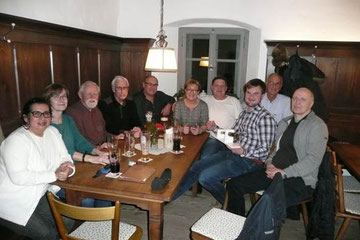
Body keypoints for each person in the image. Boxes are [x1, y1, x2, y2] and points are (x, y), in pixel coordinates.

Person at [227, 88, 328, 217]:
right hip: (275, 171)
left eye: (303, 99)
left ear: (311, 103)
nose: (297, 102)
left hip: (300, 179)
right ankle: (236, 223)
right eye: (295, 98)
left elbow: (313, 160)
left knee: (269, 200)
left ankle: (256, 231)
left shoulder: (317, 126)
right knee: (234, 184)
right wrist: (269, 163)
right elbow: (275, 150)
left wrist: (284, 172)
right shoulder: (284, 122)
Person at [174, 79, 277, 204]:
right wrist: (215, 128)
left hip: (250, 161)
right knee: (196, 166)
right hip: (233, 154)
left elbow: (265, 151)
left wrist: (244, 151)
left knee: (205, 178)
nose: (251, 97)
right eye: (249, 93)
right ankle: (170, 198)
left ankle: (231, 206)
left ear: (262, 96)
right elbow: (232, 136)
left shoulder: (265, 118)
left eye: (256, 93)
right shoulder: (245, 114)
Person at [0, 97, 75, 239]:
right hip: (12, 200)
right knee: (46, 233)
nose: (43, 118)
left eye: (46, 113)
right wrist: (55, 175)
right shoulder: (16, 141)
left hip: (39, 194)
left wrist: (68, 170)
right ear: (26, 118)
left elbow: (65, 158)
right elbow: (19, 177)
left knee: (67, 222)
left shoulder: (52, 132)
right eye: (36, 114)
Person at [43, 84, 111, 207]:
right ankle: (85, 225)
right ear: (48, 100)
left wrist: (99, 152)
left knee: (104, 187)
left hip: (76, 168)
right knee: (87, 198)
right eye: (56, 97)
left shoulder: (68, 119)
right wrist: (93, 158)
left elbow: (80, 141)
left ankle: (102, 224)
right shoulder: (45, 125)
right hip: (58, 173)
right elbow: (66, 151)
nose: (62, 100)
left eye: (64, 97)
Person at [67, 81, 106, 145]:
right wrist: (97, 148)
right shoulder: (72, 112)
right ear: (80, 95)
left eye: (95, 94)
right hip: (88, 152)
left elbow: (102, 133)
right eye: (89, 94)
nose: (92, 97)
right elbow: (78, 141)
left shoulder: (96, 110)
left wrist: (115, 137)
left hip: (101, 149)